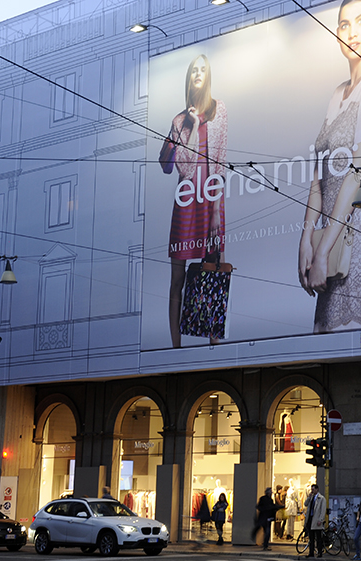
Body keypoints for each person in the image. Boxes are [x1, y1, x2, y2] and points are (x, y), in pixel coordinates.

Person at [298, 0, 361, 333]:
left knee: (350, 341)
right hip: (334, 233)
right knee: (325, 339)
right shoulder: (337, 93)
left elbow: (357, 170)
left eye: (360, 20)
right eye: (343, 24)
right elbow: (319, 175)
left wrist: (322, 250)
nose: (352, 32)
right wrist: (306, 239)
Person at [159, 54, 228, 348]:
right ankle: (176, 348)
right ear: (188, 78)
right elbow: (173, 166)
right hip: (186, 203)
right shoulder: (179, 120)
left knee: (212, 272)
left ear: (208, 76)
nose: (198, 74)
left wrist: (215, 211)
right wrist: (189, 125)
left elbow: (220, 161)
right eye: (193, 70)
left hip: (211, 200)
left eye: (203, 69)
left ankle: (214, 346)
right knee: (179, 278)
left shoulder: (219, 110)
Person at [305, 484, 326, 558]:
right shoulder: (311, 498)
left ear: (317, 489)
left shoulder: (321, 498)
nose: (312, 491)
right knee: (311, 537)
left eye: (313, 489)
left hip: (317, 520)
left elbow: (323, 510)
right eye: (311, 490)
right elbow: (305, 504)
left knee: (318, 537)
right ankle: (311, 552)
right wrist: (309, 497)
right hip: (311, 519)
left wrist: (321, 519)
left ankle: (319, 552)